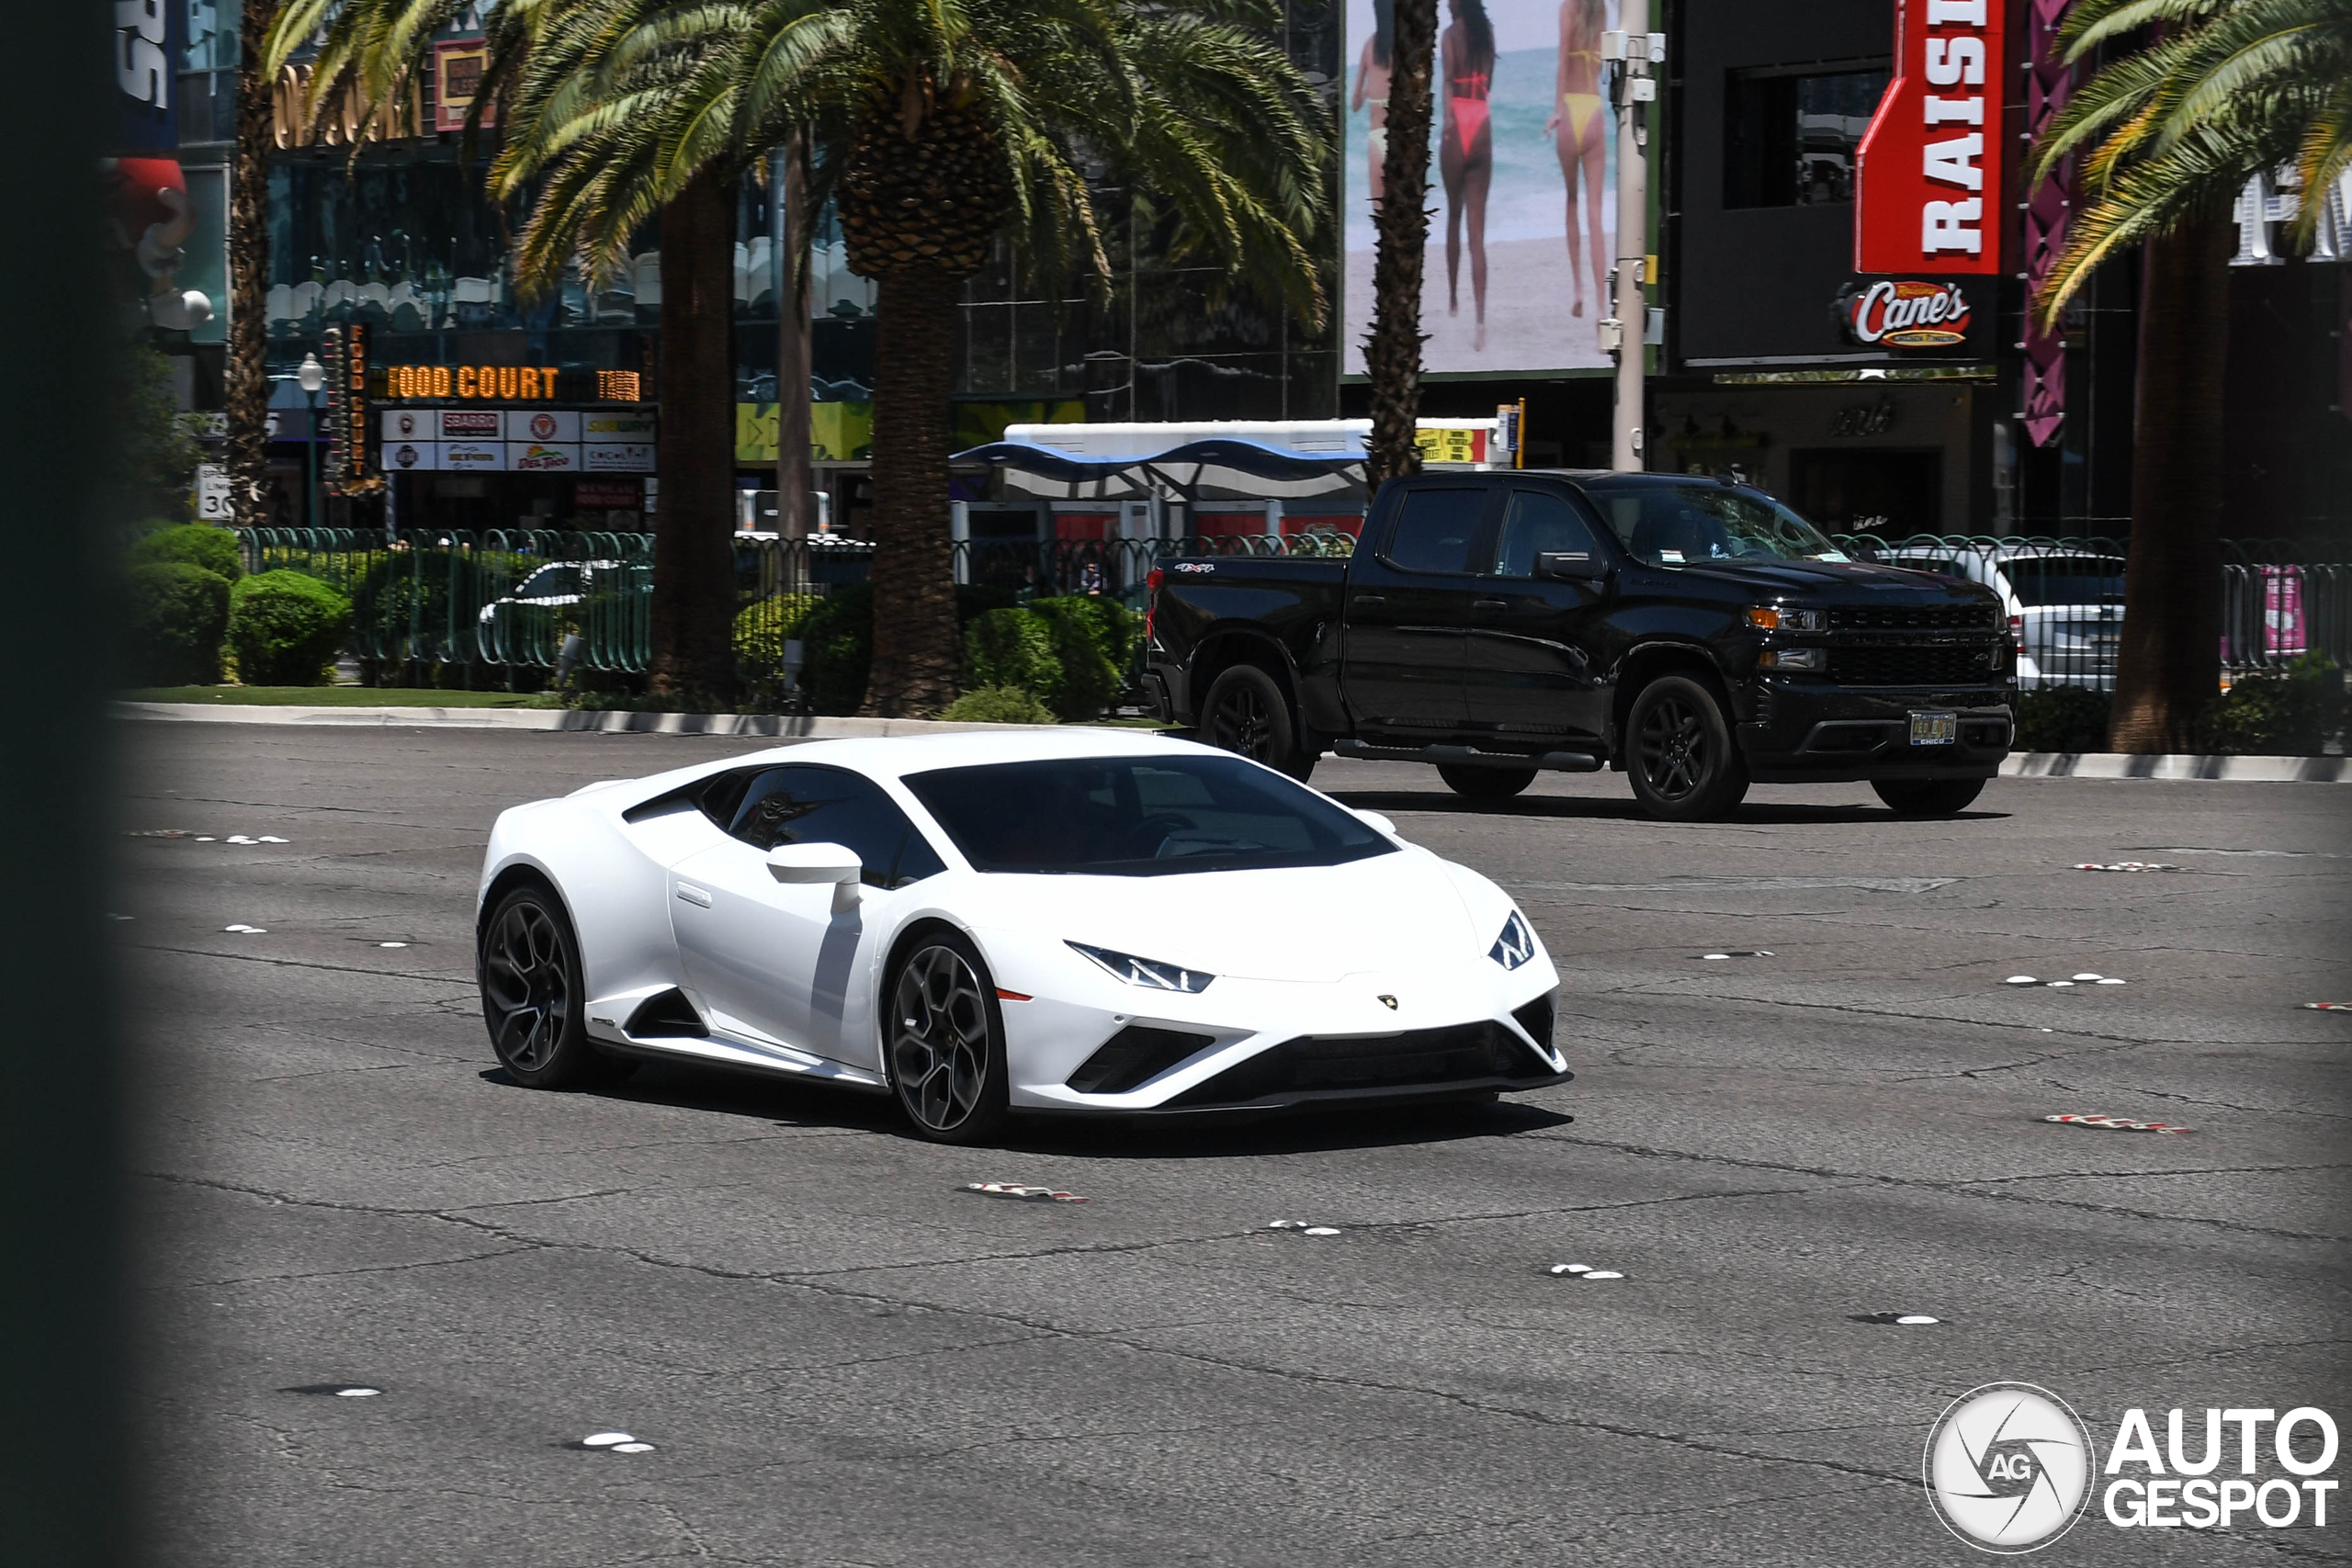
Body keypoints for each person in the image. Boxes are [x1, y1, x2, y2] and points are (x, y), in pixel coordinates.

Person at [1545, 0, 1610, 335]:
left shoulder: (1568, 6)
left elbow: (1561, 58)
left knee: (1571, 201)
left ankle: (1578, 289)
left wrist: (1557, 109)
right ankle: (1602, 307)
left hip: (1571, 111)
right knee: (1595, 213)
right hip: (1594, 109)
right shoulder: (1600, 9)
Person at [1439, 0, 1497, 351]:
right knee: (1478, 234)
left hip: (1458, 118)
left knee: (1453, 215)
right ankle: (1480, 320)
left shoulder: (1449, 36)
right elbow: (1489, 83)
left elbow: (1447, 81)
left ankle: (1453, 297)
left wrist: (1447, 119)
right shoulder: (1486, 34)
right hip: (1482, 118)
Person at [1350, 0, 1395, 206]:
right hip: (1400, 137)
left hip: (1377, 138)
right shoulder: (1403, 46)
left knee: (1379, 211)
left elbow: (1355, 105)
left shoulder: (1369, 46)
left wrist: (1369, 90)